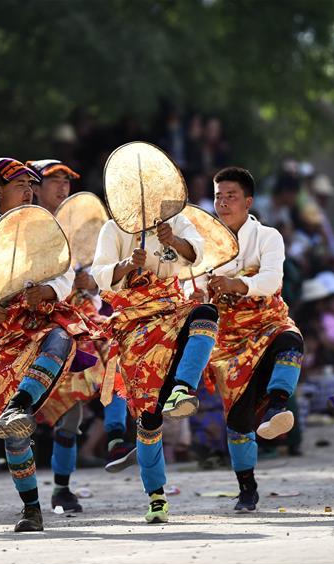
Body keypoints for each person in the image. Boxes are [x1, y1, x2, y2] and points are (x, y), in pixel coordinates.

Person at [0, 158, 95, 532]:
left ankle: (19, 405)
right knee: (17, 436)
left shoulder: (43, 228)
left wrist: (47, 290)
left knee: (63, 336)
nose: (29, 191)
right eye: (19, 185)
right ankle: (31, 509)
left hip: (42, 319)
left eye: (31, 185)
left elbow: (65, 277)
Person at [91, 182, 218, 523]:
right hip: (134, 322)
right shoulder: (113, 228)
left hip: (172, 307)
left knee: (205, 314)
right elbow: (99, 274)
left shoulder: (175, 222)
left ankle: (182, 389)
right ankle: (156, 497)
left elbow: (199, 252)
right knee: (149, 416)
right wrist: (127, 267)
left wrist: (173, 241)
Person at [28, 159, 135, 513]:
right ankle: (35, 491)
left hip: (80, 317)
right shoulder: (21, 227)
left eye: (65, 182)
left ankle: (117, 440)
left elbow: (100, 276)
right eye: (54, 181)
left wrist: (93, 283)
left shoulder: (81, 225)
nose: (62, 188)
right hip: (33, 321)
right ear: (35, 187)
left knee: (115, 349)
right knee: (44, 414)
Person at [193, 166, 303, 513]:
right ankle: (247, 489)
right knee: (237, 419)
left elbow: (271, 281)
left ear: (248, 201)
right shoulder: (204, 243)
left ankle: (278, 407)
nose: (223, 203)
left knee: (290, 341)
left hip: (268, 321)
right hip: (226, 337)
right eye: (218, 196)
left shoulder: (268, 237)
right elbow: (192, 286)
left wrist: (236, 283)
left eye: (231, 196)